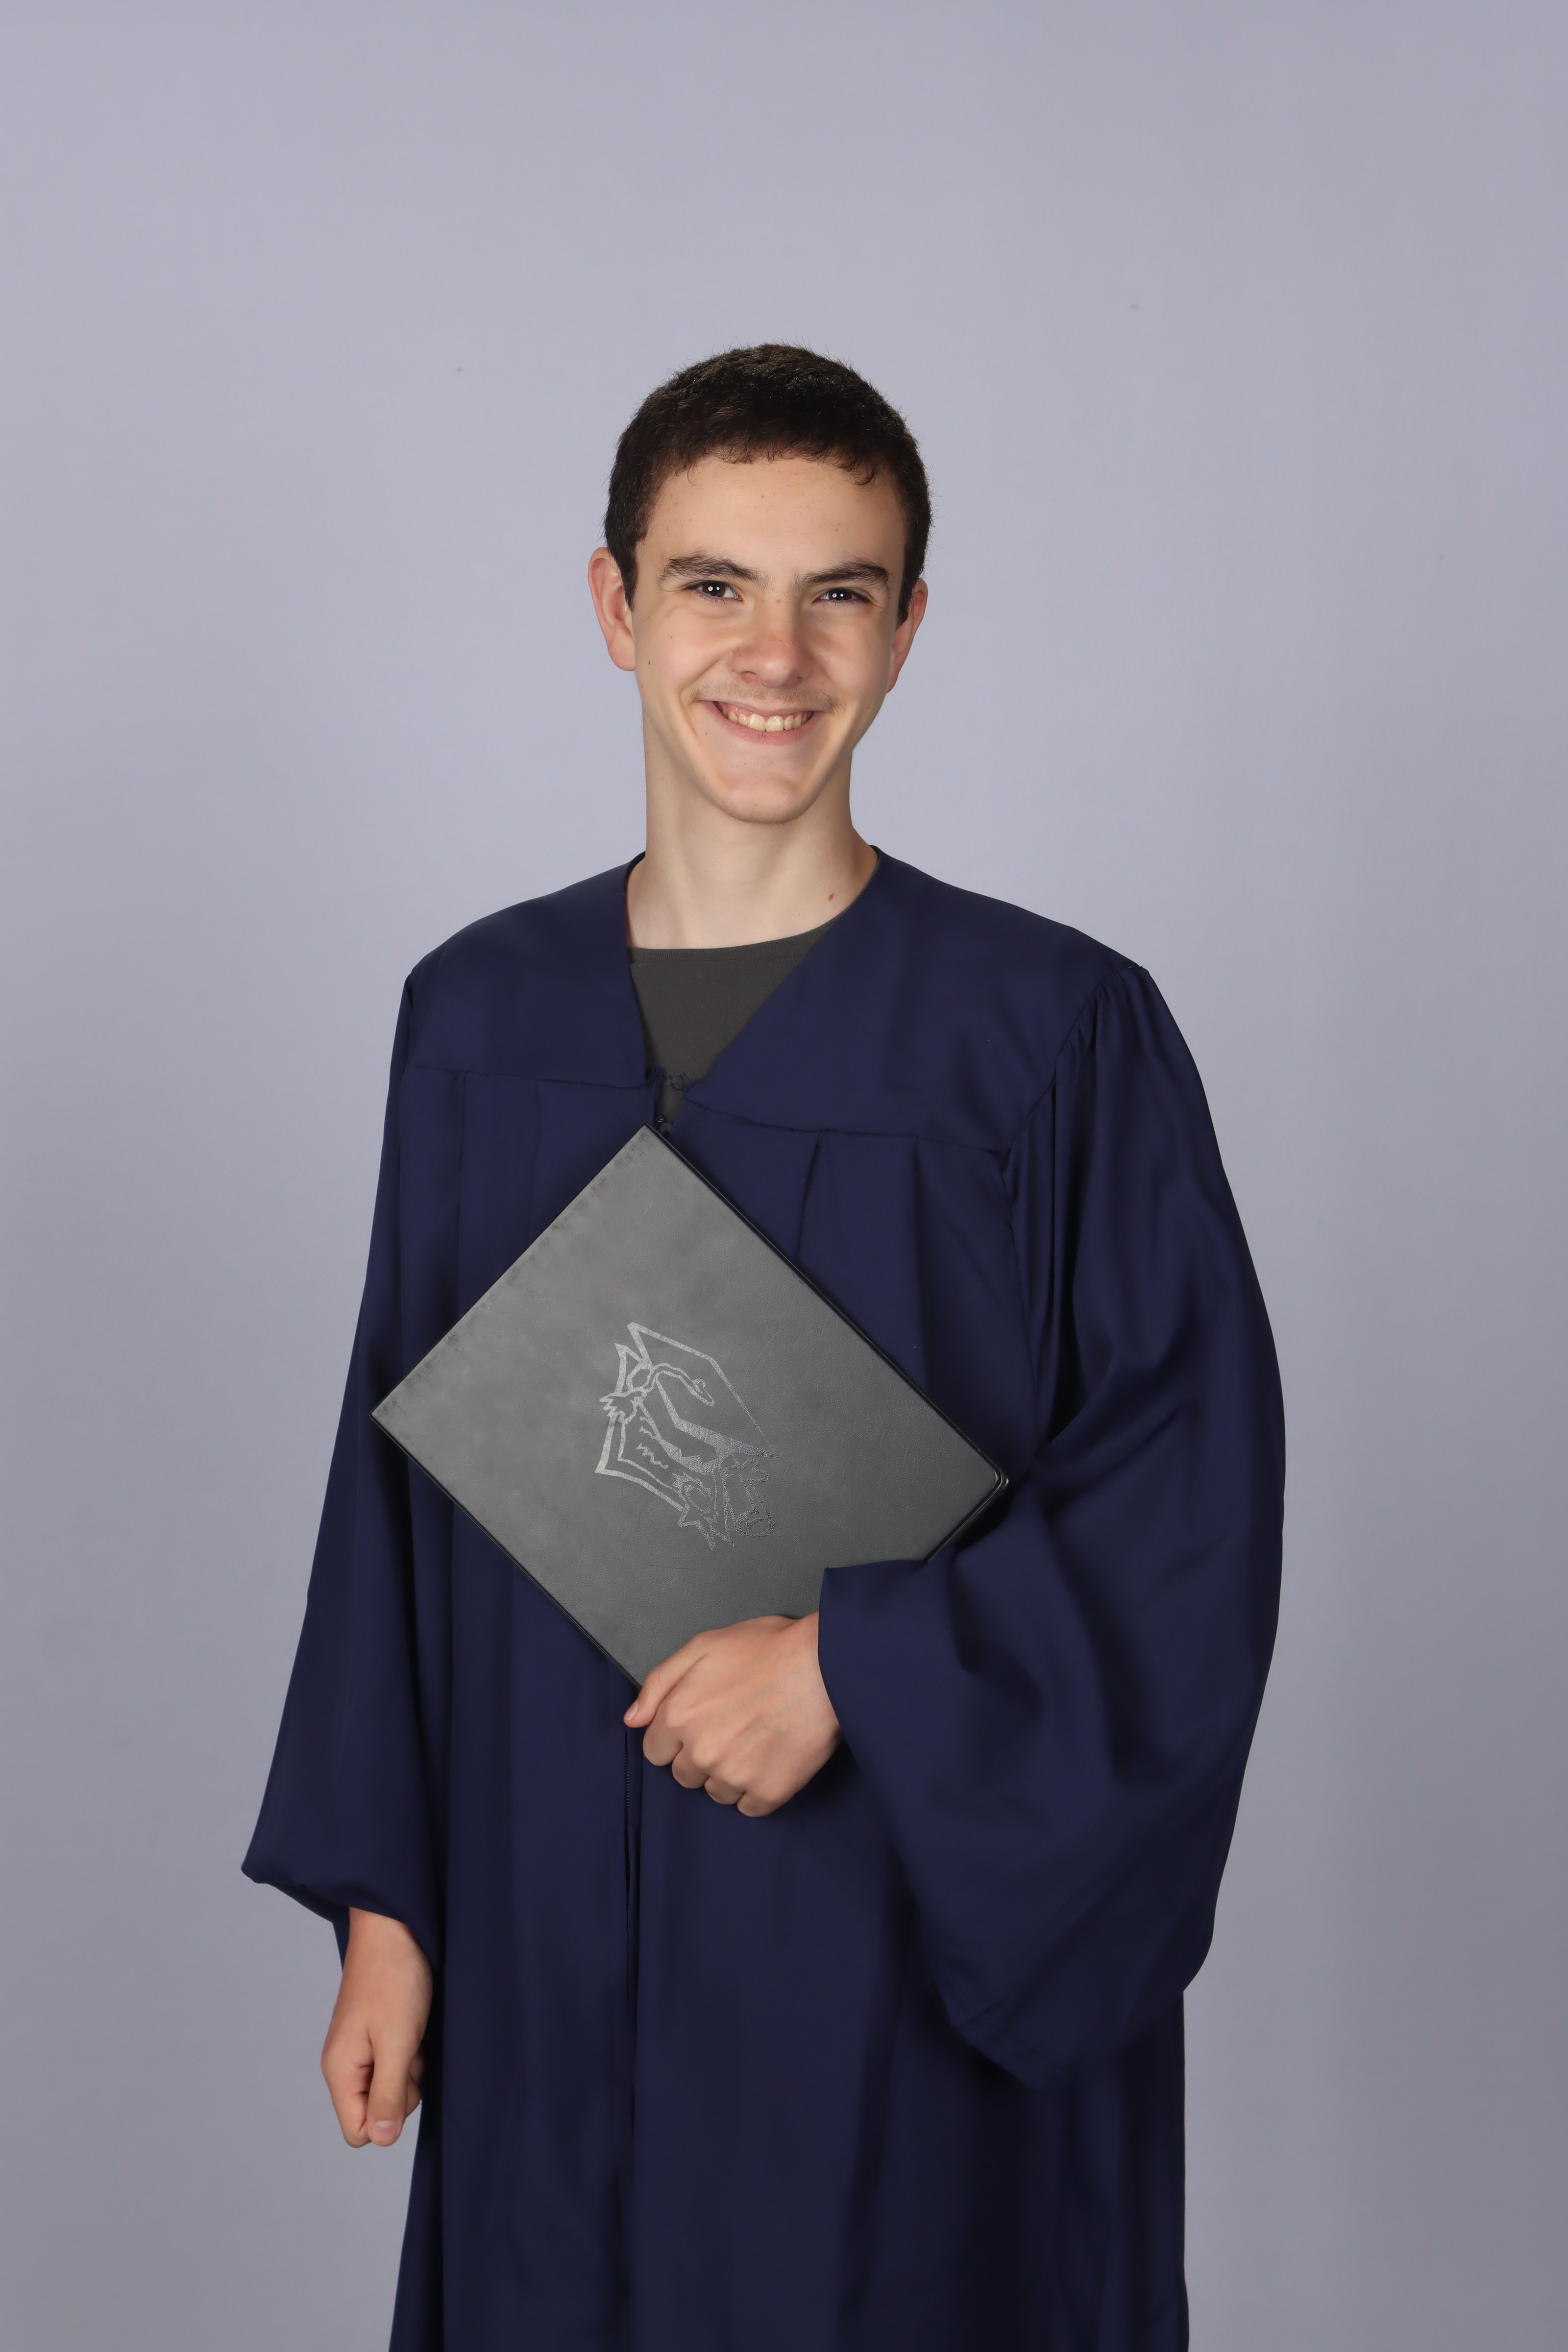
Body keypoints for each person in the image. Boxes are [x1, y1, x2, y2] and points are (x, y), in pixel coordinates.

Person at [245, 344, 1284, 2351]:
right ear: (615, 604)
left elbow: (1188, 1507)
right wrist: (391, 1903)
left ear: (908, 627)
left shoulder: (1047, 1035)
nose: (775, 656)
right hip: (543, 1907)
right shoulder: (477, 1019)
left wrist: (851, 1666)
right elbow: (396, 1488)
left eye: (840, 593)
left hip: (882, 1930)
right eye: (714, 584)